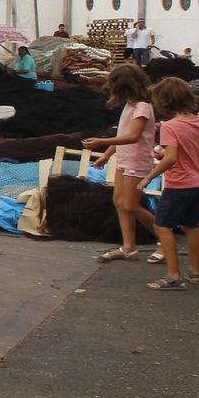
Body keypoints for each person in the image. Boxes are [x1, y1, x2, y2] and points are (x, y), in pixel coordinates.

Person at [139, 77, 199, 290]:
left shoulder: (170, 126)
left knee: (162, 225)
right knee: (191, 225)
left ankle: (174, 275)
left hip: (179, 184)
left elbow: (170, 158)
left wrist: (149, 177)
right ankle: (196, 273)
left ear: (165, 102)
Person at [84, 64, 158, 263]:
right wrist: (107, 154)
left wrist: (102, 142)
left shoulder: (142, 107)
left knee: (131, 205)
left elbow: (133, 136)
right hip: (124, 159)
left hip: (137, 160)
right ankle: (129, 247)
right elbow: (123, 134)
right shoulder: (131, 104)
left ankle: (165, 239)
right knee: (119, 201)